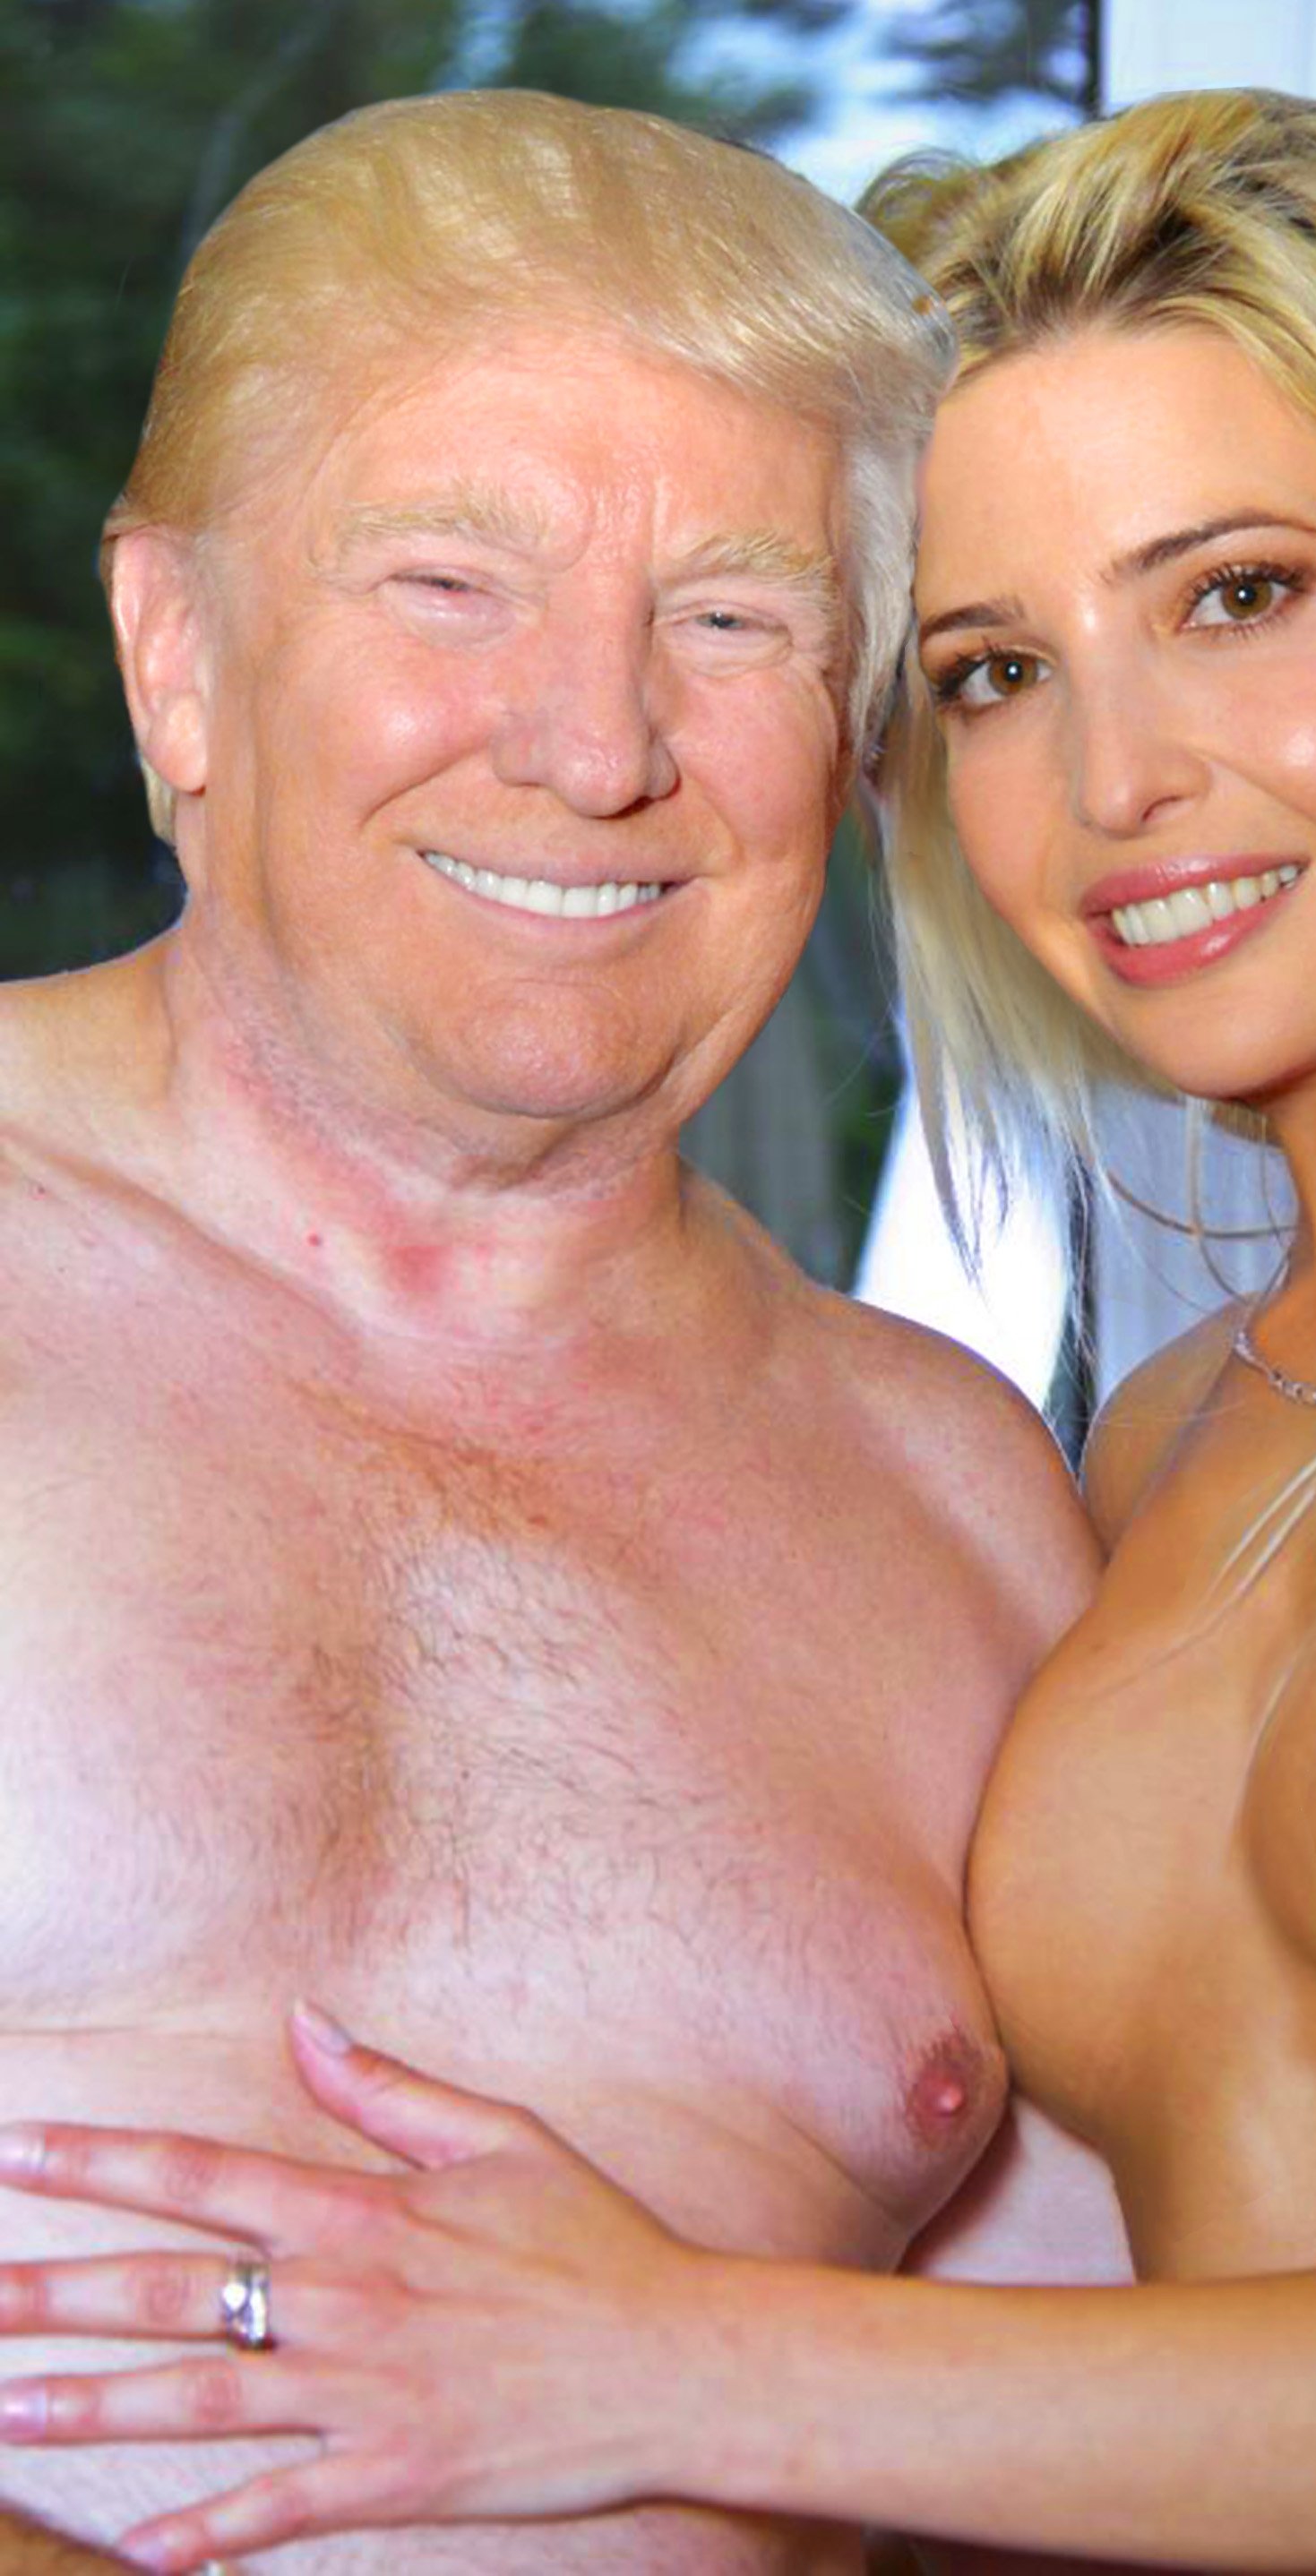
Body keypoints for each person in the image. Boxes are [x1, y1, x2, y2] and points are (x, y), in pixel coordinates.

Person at [4, 82, 1316, 2572]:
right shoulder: (1157, 1461)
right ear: (171, 659)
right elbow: (1149, 2339)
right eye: (996, 668)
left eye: (1237, 595)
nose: (1119, 776)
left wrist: (684, 2358)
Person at [0, 87, 1131, 2576]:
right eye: (448, 581)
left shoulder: (974, 1510)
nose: (598, 745)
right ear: (175, 656)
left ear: (850, 731)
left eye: (732, 619)